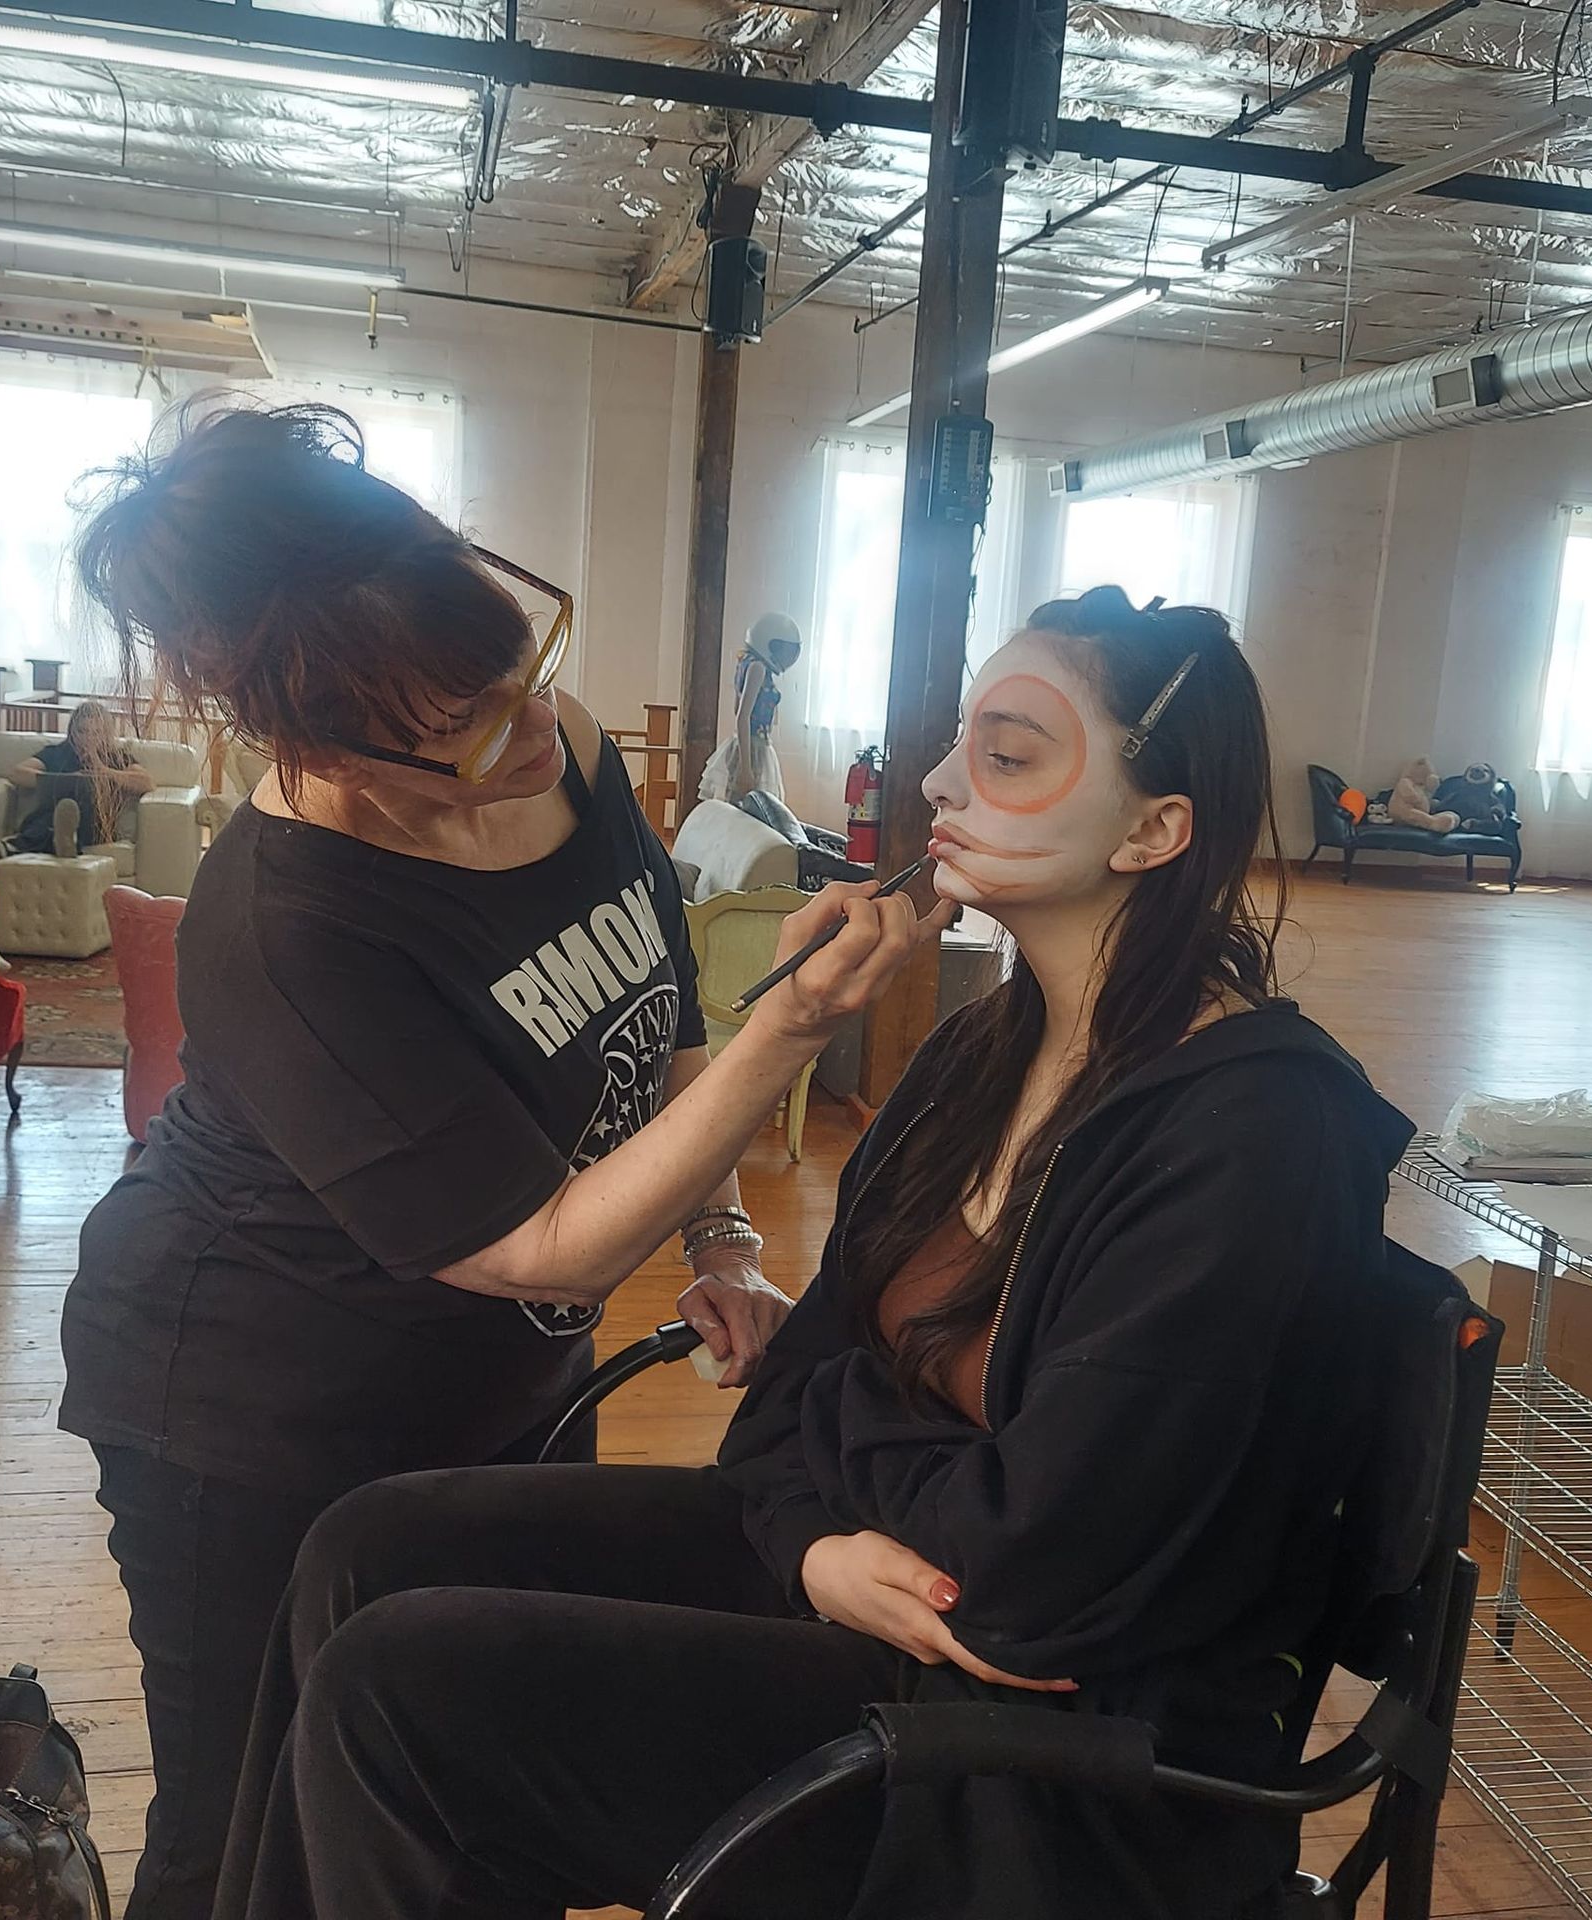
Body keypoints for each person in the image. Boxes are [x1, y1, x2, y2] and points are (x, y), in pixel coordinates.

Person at [212, 587, 1415, 1920]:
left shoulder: (1254, 1135)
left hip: (1047, 1759)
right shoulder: (979, 1051)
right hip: (879, 1592)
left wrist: (829, 1469)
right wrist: (811, 1550)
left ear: (1156, 828)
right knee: (366, 1550)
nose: (944, 781)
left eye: (1009, 756)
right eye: (964, 741)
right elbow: (791, 1404)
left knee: (405, 1694)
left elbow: (1022, 1579)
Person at [54, 401, 945, 1920]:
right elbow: (546, 1246)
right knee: (243, 1832)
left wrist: (724, 1237)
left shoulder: (564, 744)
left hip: (501, 1387)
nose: (536, 725)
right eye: (467, 724)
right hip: (251, 1401)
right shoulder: (289, 925)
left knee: (464, 1798)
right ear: (329, 751)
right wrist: (789, 1036)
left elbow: (657, 1022)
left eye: (518, 664)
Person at [0, 697, 153, 862]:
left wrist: (103, 771)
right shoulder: (58, 753)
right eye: (83, 731)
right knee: (54, 816)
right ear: (73, 732)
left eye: (96, 733)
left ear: (106, 735)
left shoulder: (117, 757)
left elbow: (147, 783)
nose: (89, 739)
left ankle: (10, 847)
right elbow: (17, 773)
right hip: (49, 815)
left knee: (82, 797)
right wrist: (61, 779)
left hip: (95, 824)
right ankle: (64, 841)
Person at [698, 610, 801, 805]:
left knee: (745, 804)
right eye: (783, 650)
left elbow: (737, 708)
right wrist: (746, 767)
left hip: (747, 744)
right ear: (769, 643)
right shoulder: (758, 668)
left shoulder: (746, 663)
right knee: (750, 805)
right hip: (752, 747)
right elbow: (742, 716)